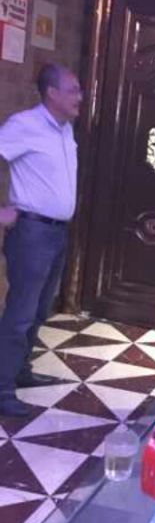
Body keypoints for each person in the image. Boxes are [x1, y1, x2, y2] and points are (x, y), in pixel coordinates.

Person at [0, 64, 82, 418]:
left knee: (38, 310)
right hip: (31, 233)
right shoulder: (24, 125)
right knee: (20, 314)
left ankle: (20, 370)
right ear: (51, 93)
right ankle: (2, 389)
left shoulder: (65, 129)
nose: (80, 97)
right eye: (73, 90)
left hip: (57, 232)